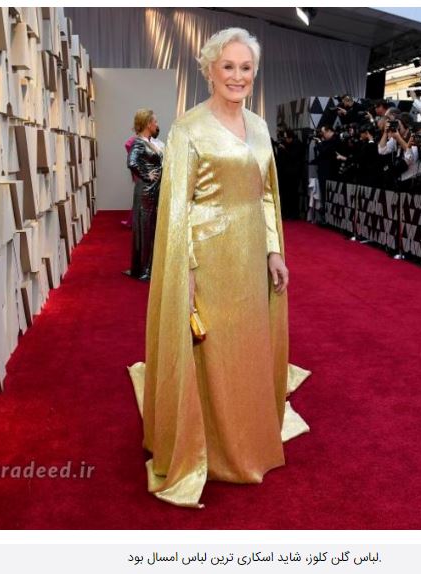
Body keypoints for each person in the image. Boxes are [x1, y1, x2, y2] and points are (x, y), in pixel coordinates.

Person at [127, 28, 310, 508]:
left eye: (245, 67)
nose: (237, 76)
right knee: (211, 349)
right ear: (209, 70)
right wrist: (184, 270)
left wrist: (274, 250)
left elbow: (266, 194)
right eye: (228, 66)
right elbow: (177, 209)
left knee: (246, 347)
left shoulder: (260, 126)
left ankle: (248, 432)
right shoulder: (187, 128)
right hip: (207, 258)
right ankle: (209, 442)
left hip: (250, 258)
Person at [126, 109, 163, 281]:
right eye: (155, 121)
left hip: (153, 190)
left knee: (150, 227)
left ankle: (147, 267)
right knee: (146, 228)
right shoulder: (139, 143)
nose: (157, 124)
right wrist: (147, 175)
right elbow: (131, 162)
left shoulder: (149, 141)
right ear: (148, 124)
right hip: (146, 191)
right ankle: (144, 269)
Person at [275, 129, 305, 219]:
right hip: (285, 174)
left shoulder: (297, 144)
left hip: (293, 175)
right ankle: (286, 212)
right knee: (285, 194)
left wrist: (284, 149)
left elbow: (294, 157)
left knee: (293, 194)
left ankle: (293, 214)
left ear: (290, 137)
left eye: (286, 137)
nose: (285, 139)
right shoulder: (286, 144)